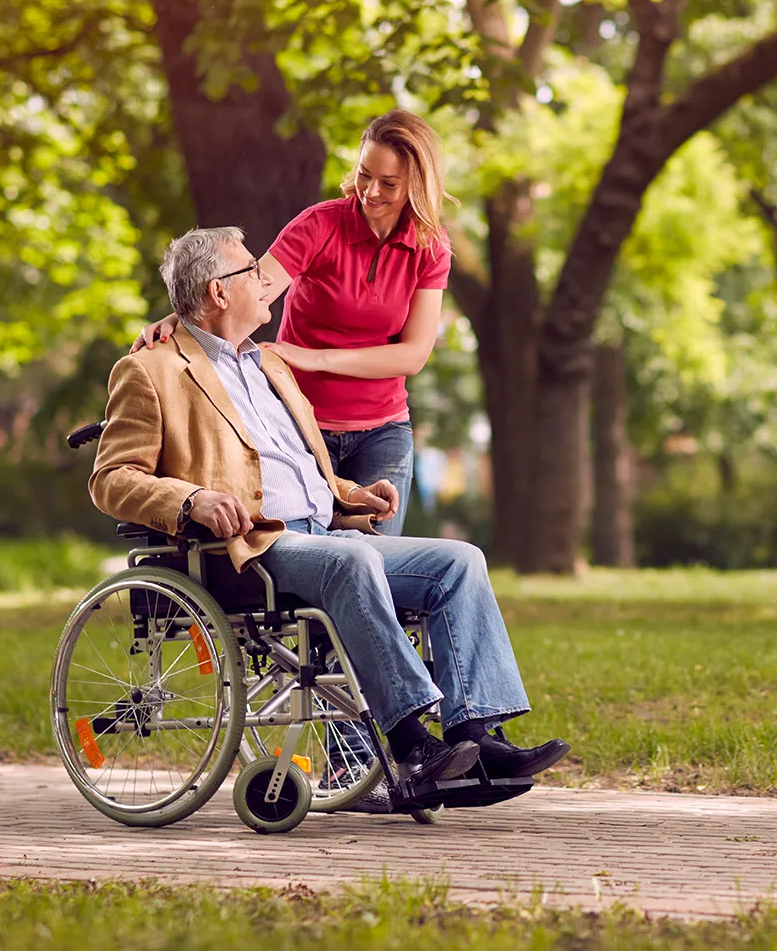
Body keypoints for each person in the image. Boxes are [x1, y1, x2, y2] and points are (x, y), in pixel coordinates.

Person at [94, 226, 568, 801]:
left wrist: (350, 495)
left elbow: (292, 465)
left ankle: (475, 736)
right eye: (251, 272)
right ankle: (414, 745)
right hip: (248, 548)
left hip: (324, 536)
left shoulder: (269, 364)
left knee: (459, 562)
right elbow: (113, 479)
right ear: (219, 292)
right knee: (350, 563)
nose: (266, 281)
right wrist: (191, 500)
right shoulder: (151, 370)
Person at [132, 109, 453, 538]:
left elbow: (412, 355)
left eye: (389, 184)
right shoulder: (320, 225)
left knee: (382, 564)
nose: (371, 192)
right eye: (364, 175)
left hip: (383, 431)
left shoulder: (430, 249)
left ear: (417, 183)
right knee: (317, 567)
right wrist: (181, 313)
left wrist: (314, 358)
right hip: (301, 425)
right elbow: (246, 288)